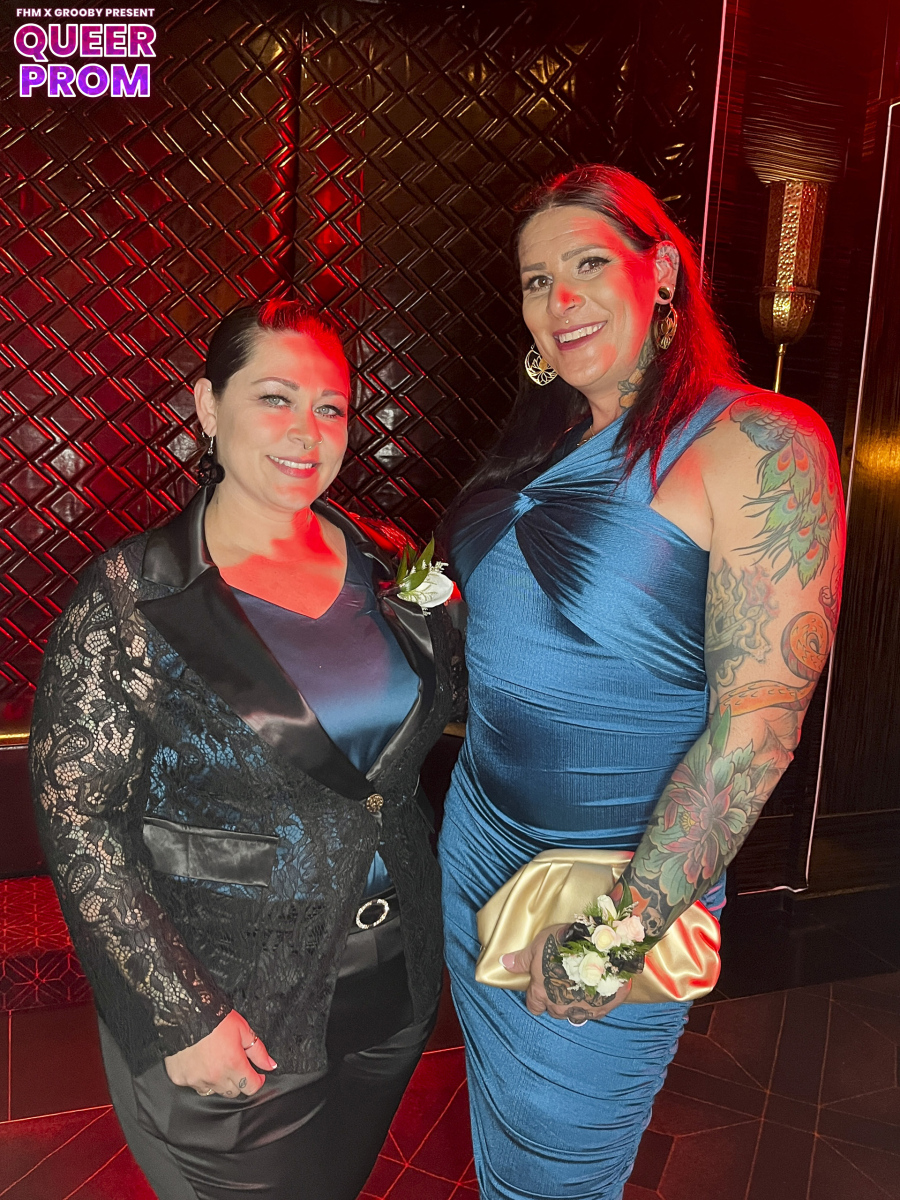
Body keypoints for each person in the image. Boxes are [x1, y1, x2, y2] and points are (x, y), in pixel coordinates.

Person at [439, 165, 845, 1199]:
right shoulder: (540, 439)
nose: (559, 300)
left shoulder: (760, 441)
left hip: (614, 877)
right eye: (536, 281)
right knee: (501, 1144)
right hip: (479, 842)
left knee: (561, 1173)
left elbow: (758, 729)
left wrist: (616, 938)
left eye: (587, 264)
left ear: (660, 270)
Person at [30, 300, 455, 1200]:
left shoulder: (387, 564)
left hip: (395, 986)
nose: (308, 431)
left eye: (331, 406)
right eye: (275, 397)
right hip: (233, 1006)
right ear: (207, 406)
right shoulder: (133, 595)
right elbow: (79, 820)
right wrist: (184, 1012)